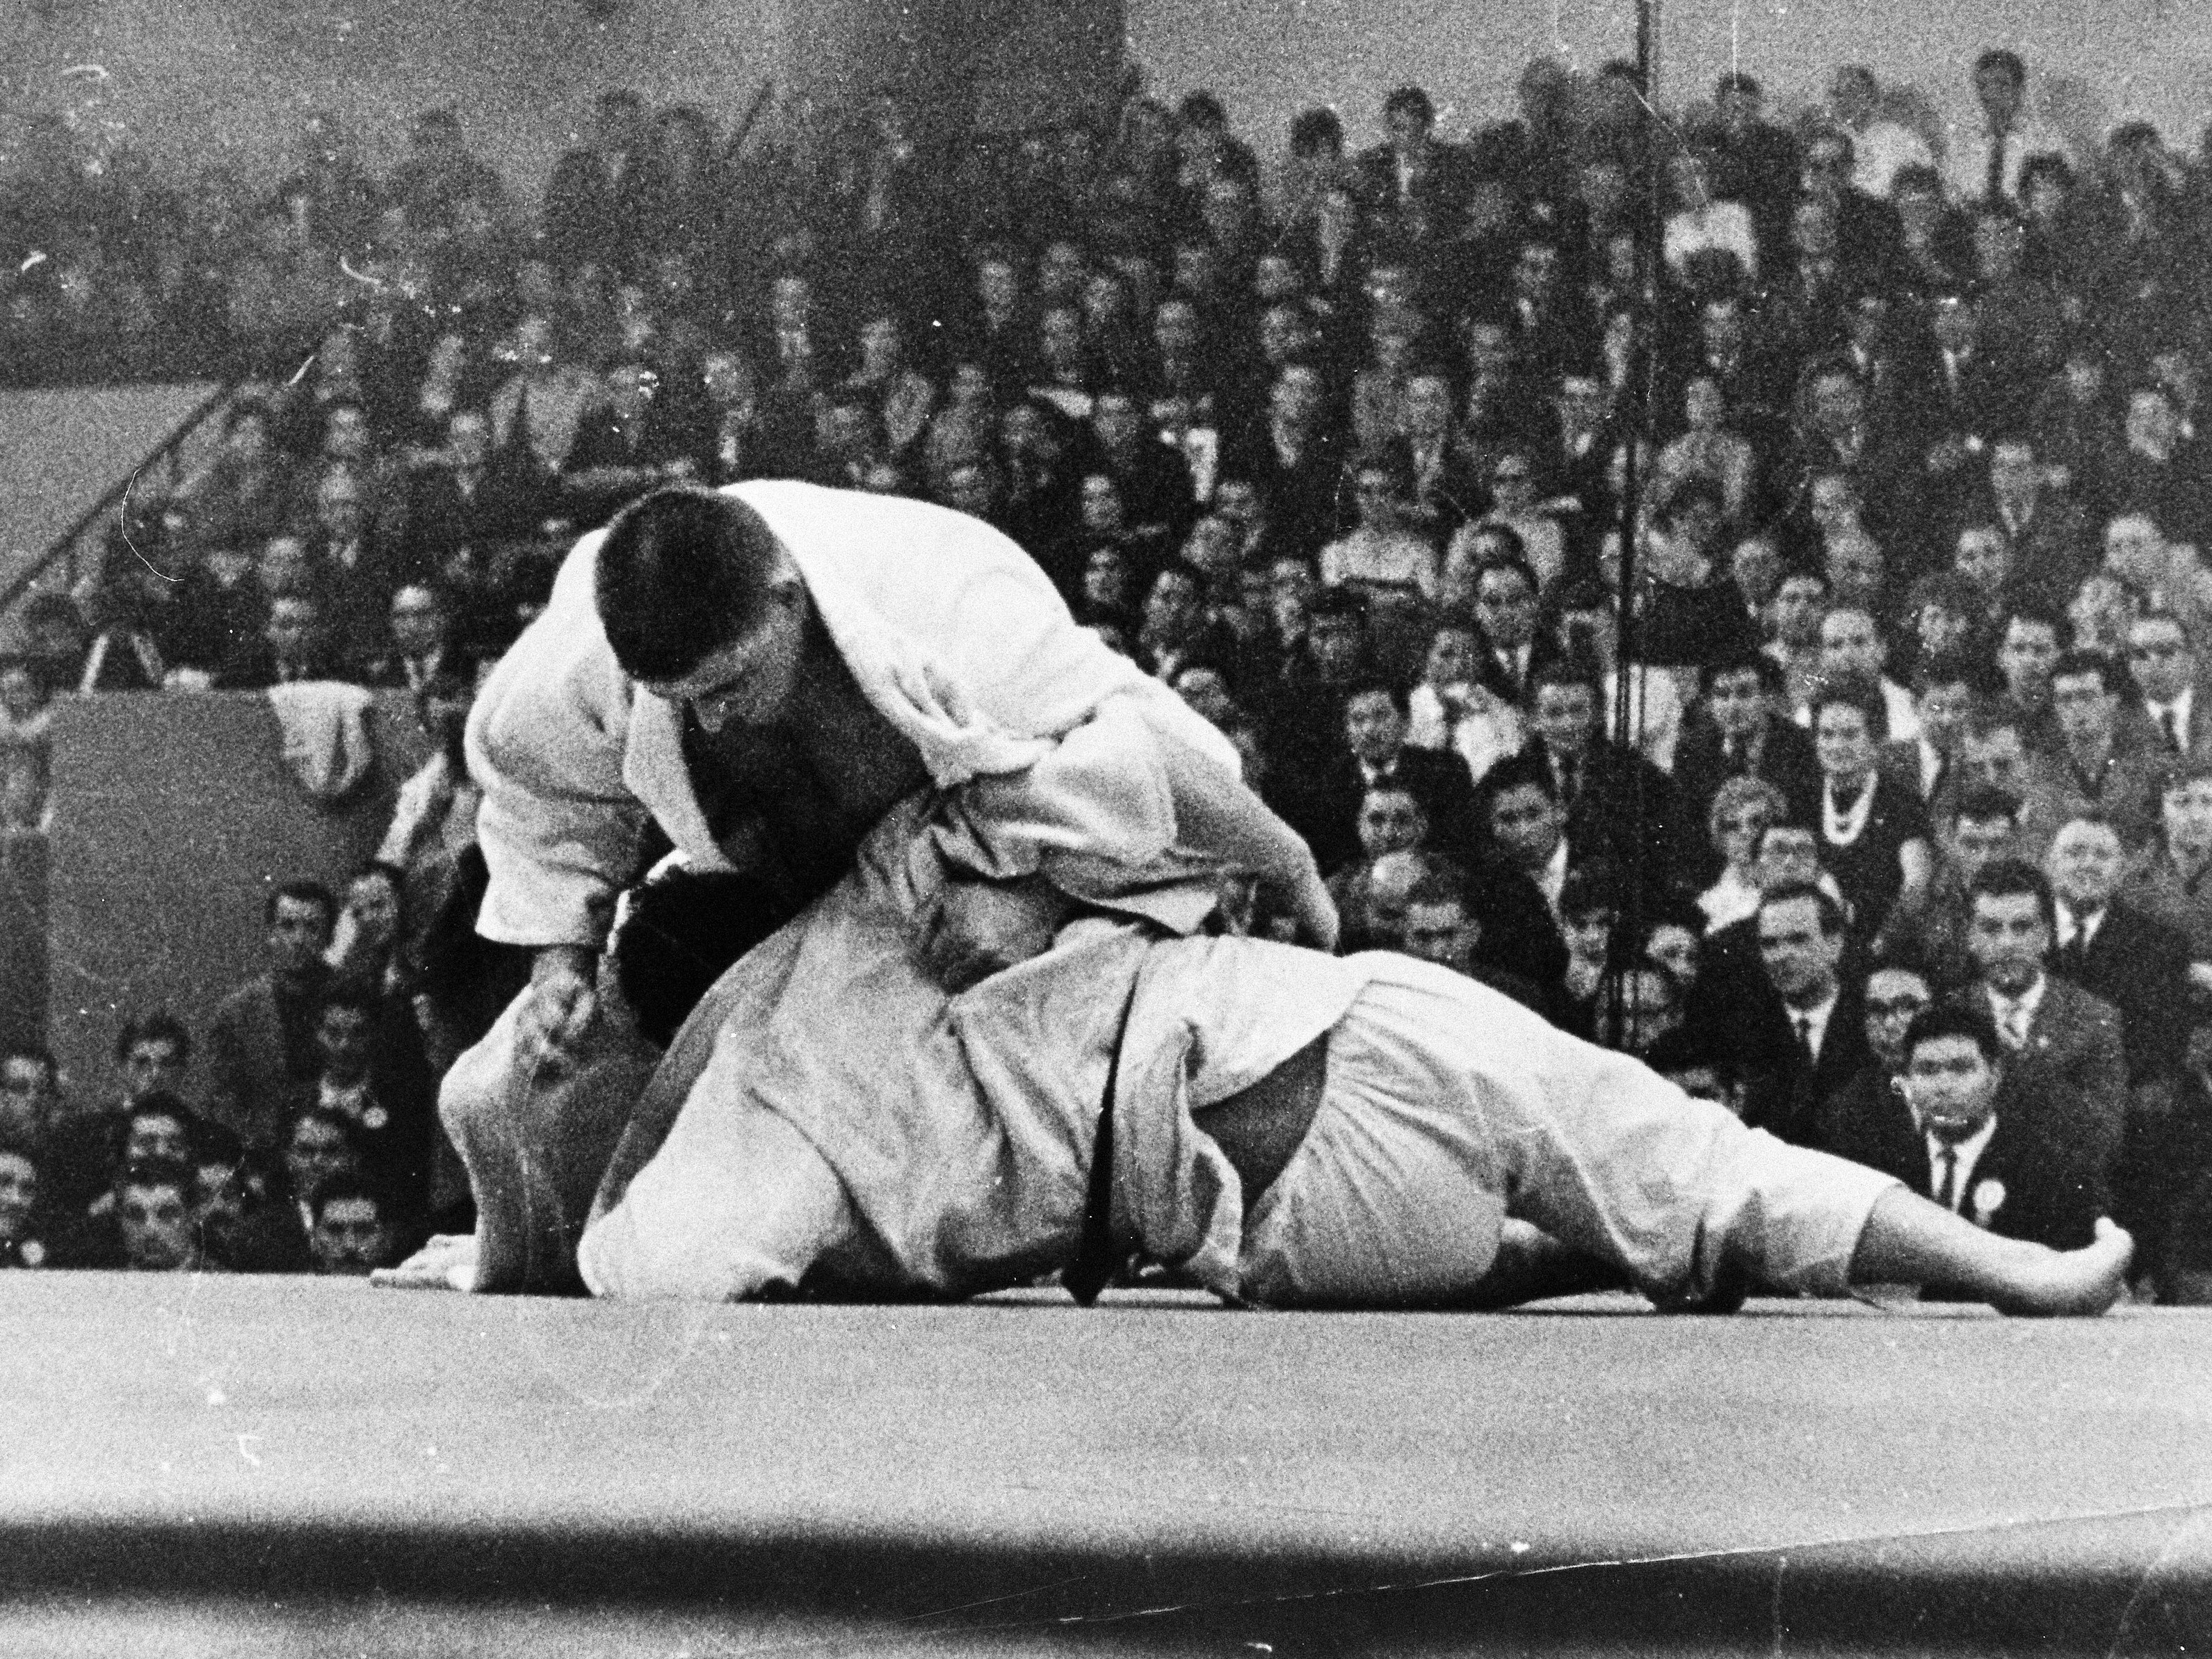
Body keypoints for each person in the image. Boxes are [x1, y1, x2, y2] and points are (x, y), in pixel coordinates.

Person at [387, 772, 2131, 1318]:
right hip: (1300, 1038)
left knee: (1600, 1212)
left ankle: (1599, 1247)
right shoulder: (857, 913)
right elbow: (1082, 751)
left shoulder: (713, 1157)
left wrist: (497, 1152)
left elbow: (638, 1279)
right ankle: (2014, 1269)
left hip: (1281, 1219)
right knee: (1698, 1172)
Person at [445, 481, 1337, 1290]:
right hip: (776, 903)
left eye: (731, 683)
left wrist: (1034, 901)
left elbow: (1156, 764)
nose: (711, 719)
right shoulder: (574, 659)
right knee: (501, 1099)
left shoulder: (953, 598)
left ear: (785, 597)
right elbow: (541, 797)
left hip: (976, 876)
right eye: (680, 699)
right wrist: (557, 958)